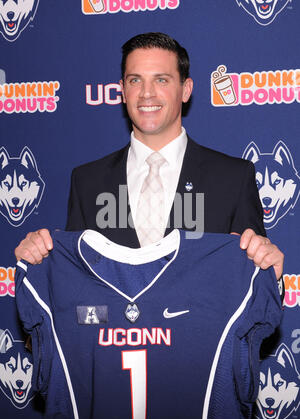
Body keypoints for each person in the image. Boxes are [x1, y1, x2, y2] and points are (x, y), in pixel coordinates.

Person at [14, 32, 284, 286]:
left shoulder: (233, 178)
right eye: (135, 80)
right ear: (122, 90)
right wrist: (38, 264)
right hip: (111, 336)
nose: (146, 93)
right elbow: (73, 284)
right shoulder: (87, 181)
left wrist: (271, 276)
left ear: (186, 89)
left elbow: (254, 288)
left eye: (161, 80)